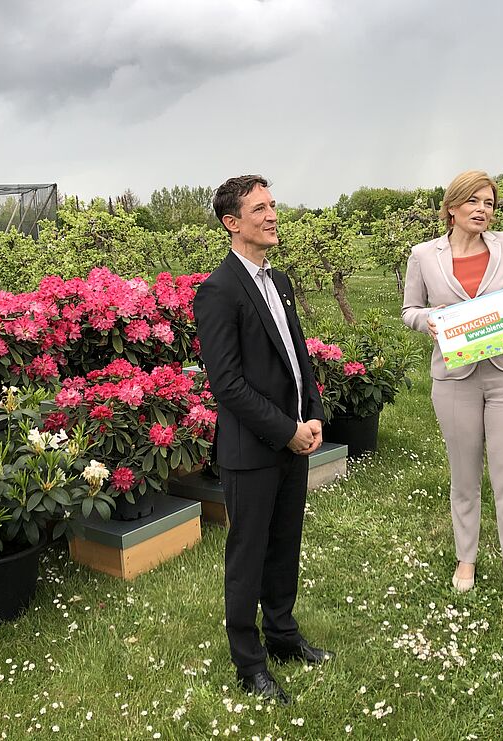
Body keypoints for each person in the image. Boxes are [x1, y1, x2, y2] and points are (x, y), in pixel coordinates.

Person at [193, 175, 334, 704]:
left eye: (273, 204)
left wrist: (314, 414)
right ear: (232, 223)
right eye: (260, 208)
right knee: (248, 555)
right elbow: (227, 385)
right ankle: (248, 662)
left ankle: (283, 634)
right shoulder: (219, 291)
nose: (273, 214)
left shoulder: (283, 282)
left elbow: (300, 358)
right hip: (252, 452)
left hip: (295, 440)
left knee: (284, 546)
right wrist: (286, 430)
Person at [401, 169, 503, 610]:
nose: (483, 210)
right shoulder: (424, 255)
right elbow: (408, 309)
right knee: (463, 476)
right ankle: (466, 558)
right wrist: (430, 318)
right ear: (452, 208)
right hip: (454, 379)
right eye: (474, 202)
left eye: (490, 203)